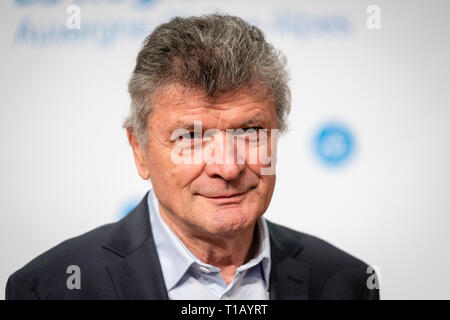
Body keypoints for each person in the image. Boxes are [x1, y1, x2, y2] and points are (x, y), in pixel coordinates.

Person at [6, 14, 379, 300]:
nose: (228, 167)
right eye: (191, 137)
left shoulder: (346, 281)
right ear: (140, 150)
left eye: (250, 132)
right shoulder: (52, 287)